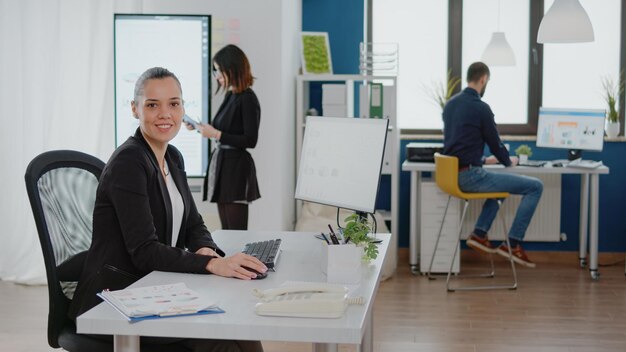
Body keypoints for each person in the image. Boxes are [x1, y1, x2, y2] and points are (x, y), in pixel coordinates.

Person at [69, 67, 266, 352]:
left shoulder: (172, 157)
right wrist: (212, 265)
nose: (165, 114)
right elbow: (144, 250)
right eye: (152, 105)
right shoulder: (129, 162)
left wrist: (204, 250)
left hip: (151, 288)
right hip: (114, 299)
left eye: (173, 104)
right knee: (223, 340)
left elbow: (193, 224)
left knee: (240, 329)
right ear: (135, 109)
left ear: (183, 108)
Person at [442, 62, 543, 268]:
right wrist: (508, 161)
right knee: (535, 186)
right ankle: (512, 243)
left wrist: (483, 160)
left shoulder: (450, 105)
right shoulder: (481, 107)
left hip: (455, 175)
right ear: (483, 79)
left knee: (499, 188)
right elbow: (495, 144)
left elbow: (456, 146)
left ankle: (480, 233)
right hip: (471, 176)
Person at [187, 44, 260, 231]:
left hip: (236, 170)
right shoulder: (231, 96)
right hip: (224, 168)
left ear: (232, 68)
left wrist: (216, 134)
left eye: (219, 70)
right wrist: (199, 128)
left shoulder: (248, 99)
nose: (216, 75)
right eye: (215, 71)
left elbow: (250, 141)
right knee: (227, 232)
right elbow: (222, 131)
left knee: (236, 233)